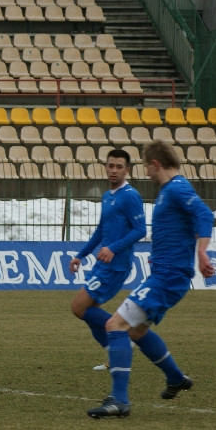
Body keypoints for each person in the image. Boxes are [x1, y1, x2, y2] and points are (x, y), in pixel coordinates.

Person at [87, 140, 215, 419]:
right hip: (165, 275)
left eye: (146, 166)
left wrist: (202, 252)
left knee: (114, 325)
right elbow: (187, 225)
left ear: (156, 164)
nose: (145, 172)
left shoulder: (177, 188)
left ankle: (119, 400)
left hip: (167, 278)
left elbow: (204, 213)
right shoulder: (171, 191)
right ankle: (176, 378)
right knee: (136, 332)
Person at [69, 149, 146, 371]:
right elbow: (101, 231)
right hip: (102, 263)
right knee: (89, 313)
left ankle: (122, 333)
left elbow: (140, 229)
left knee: (78, 307)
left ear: (127, 170)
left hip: (117, 265)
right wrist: (81, 255)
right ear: (105, 167)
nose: (114, 170)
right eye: (111, 165)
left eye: (119, 167)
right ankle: (116, 355)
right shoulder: (107, 196)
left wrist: (113, 248)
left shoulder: (130, 195)